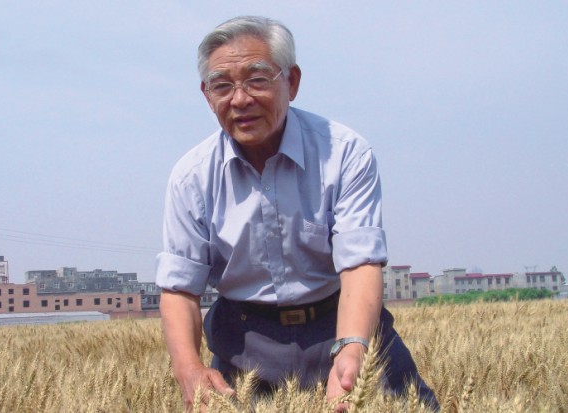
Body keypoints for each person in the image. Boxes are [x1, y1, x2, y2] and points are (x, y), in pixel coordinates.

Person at [155, 15, 438, 411]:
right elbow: (180, 288)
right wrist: (188, 369)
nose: (240, 99)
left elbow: (360, 263)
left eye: (257, 80)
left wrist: (353, 348)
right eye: (222, 85)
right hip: (245, 344)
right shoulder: (192, 177)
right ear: (206, 94)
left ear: (291, 81)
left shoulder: (344, 153)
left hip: (342, 321)